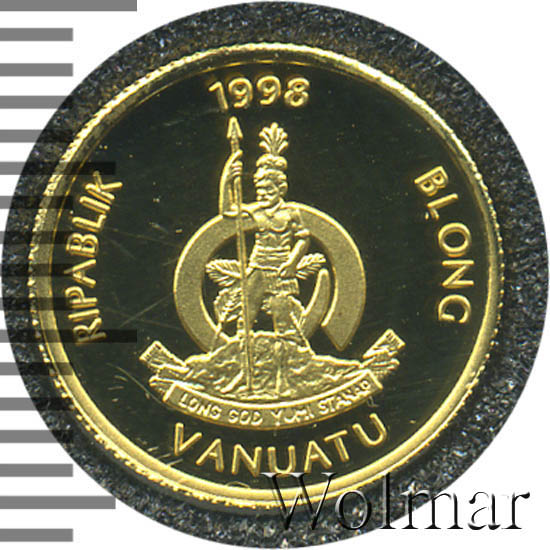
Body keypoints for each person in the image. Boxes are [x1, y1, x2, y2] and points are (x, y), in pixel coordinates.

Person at [219, 123, 310, 344]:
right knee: (248, 307)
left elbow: (303, 239)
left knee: (281, 310)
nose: (263, 194)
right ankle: (242, 344)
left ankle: (287, 348)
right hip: (258, 266)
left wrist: (292, 262)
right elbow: (227, 211)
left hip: (281, 267)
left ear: (281, 189)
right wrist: (227, 179)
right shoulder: (256, 211)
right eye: (259, 190)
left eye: (269, 190)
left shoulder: (291, 213)